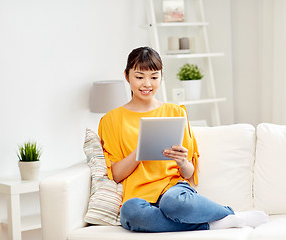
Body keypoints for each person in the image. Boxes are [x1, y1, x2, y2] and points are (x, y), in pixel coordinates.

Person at [98, 46, 268, 232]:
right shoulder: (111, 119)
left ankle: (228, 214)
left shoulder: (175, 112)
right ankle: (219, 220)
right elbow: (115, 175)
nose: (147, 84)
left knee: (173, 203)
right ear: (126, 76)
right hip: (139, 197)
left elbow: (189, 173)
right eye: (139, 77)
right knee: (131, 213)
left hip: (173, 191)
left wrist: (181, 161)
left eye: (154, 77)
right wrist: (139, 152)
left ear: (161, 77)